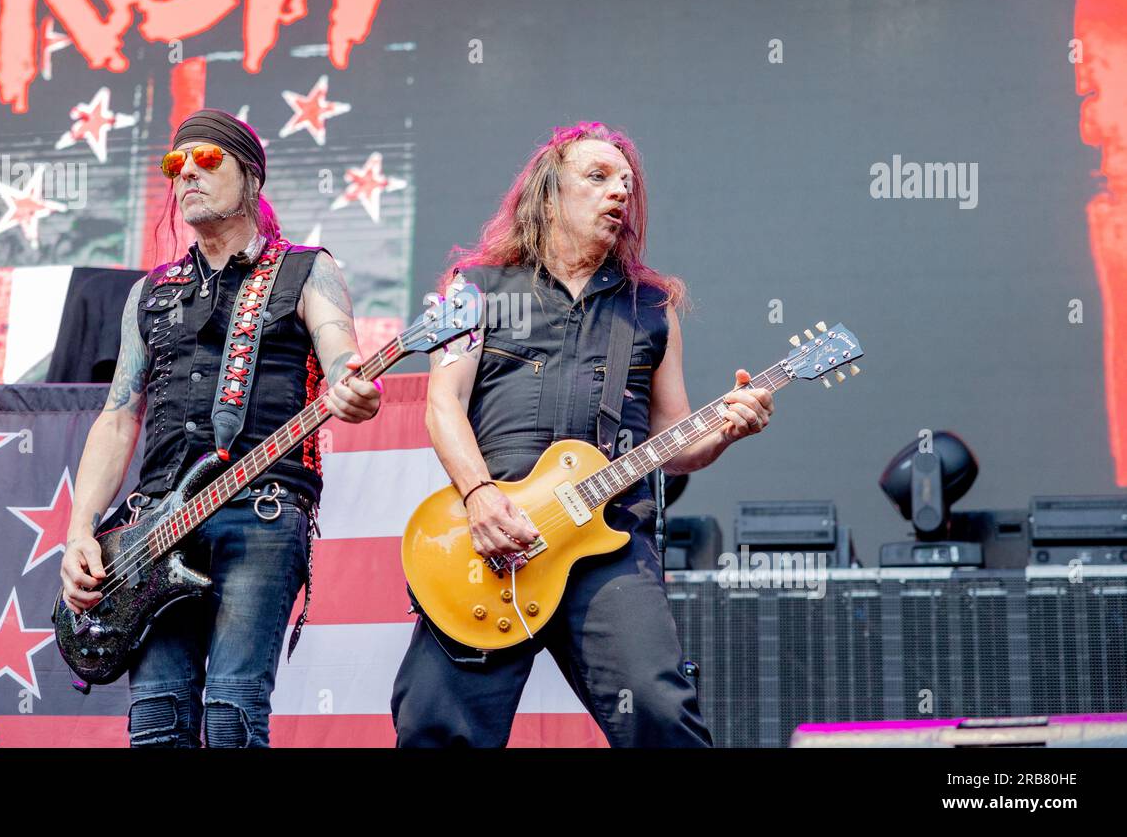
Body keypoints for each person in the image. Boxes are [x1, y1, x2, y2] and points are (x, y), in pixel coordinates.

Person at [391, 121, 774, 747]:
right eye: (598, 178)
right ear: (548, 194)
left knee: (659, 712)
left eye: (626, 182)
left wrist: (728, 429)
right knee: (436, 726)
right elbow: (443, 405)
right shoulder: (477, 290)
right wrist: (481, 497)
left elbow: (677, 445)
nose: (620, 191)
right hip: (492, 539)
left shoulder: (651, 306)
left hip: (608, 542)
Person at [59, 108, 381, 747]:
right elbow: (119, 417)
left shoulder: (305, 269)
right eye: (176, 166)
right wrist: (78, 534)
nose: (187, 177)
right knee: (157, 718)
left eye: (208, 162)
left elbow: (342, 349)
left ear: (252, 179)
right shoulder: (150, 292)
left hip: (258, 513)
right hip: (151, 531)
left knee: (232, 714)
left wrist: (353, 382)